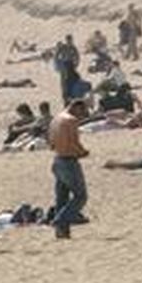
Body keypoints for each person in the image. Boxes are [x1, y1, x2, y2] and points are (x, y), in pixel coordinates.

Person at [48, 99, 89, 239]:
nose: (82, 116)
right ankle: (59, 221)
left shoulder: (55, 119)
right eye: (82, 112)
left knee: (62, 198)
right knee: (80, 196)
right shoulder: (71, 121)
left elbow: (51, 143)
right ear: (77, 108)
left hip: (57, 160)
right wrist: (83, 152)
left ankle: (62, 232)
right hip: (69, 161)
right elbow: (73, 143)